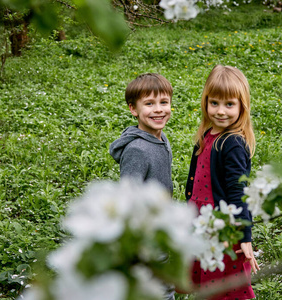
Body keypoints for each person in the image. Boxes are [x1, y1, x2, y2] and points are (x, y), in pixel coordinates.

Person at [185, 65, 260, 299]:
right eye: (214, 103)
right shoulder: (207, 136)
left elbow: (239, 191)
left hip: (223, 226)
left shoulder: (232, 144)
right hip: (203, 221)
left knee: (225, 284)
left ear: (241, 106)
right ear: (206, 102)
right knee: (207, 281)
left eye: (229, 104)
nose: (220, 111)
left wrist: (244, 235)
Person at [109, 73, 175, 300]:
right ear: (133, 109)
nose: (158, 109)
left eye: (163, 102)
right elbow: (127, 198)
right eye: (149, 104)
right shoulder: (137, 150)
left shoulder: (161, 138)